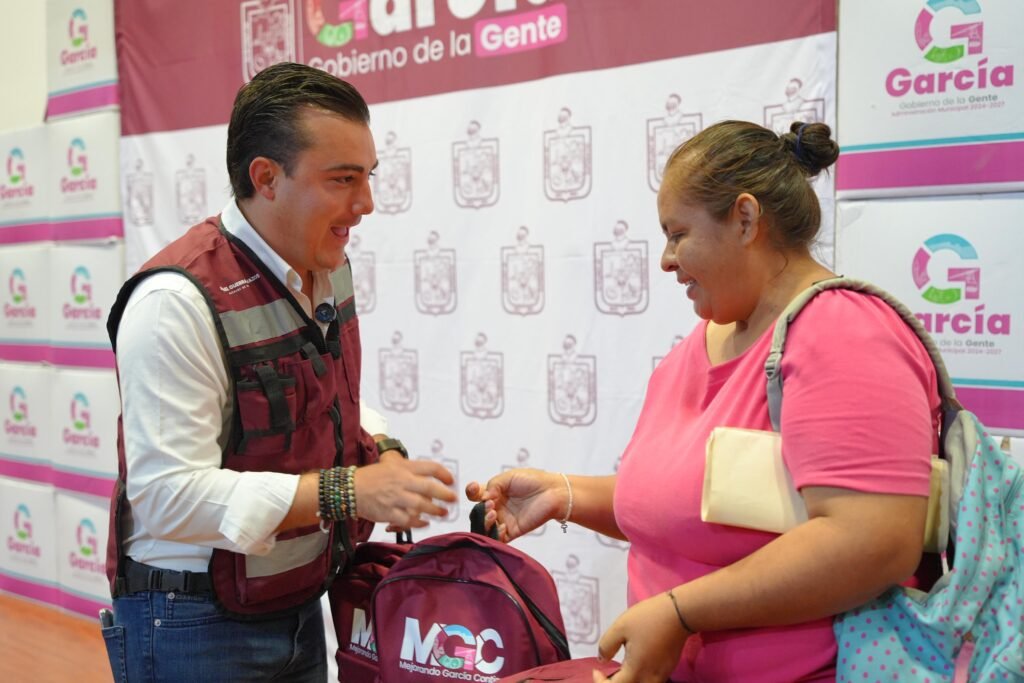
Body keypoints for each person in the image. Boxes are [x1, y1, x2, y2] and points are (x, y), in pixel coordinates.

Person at [467, 120, 940, 683]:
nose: (666, 261)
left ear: (745, 219)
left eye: (677, 234)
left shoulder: (844, 331)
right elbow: (691, 505)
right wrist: (565, 494)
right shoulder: (705, 341)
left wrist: (680, 612)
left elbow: (874, 541)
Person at [102, 62, 456, 682]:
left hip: (293, 603)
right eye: (343, 179)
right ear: (266, 177)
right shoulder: (173, 302)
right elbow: (166, 497)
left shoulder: (325, 265)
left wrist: (384, 456)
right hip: (189, 622)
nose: (366, 204)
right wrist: (348, 491)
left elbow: (328, 400)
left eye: (368, 176)